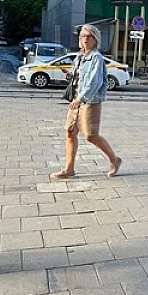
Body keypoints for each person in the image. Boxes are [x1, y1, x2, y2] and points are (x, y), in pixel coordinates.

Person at [51, 24, 121, 180]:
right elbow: (80, 77)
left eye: (89, 36)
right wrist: (70, 75)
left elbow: (94, 83)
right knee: (70, 132)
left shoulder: (96, 58)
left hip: (90, 101)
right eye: (83, 36)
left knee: (91, 135)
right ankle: (69, 169)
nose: (85, 39)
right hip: (76, 100)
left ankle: (115, 160)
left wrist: (80, 99)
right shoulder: (80, 56)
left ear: (95, 39)